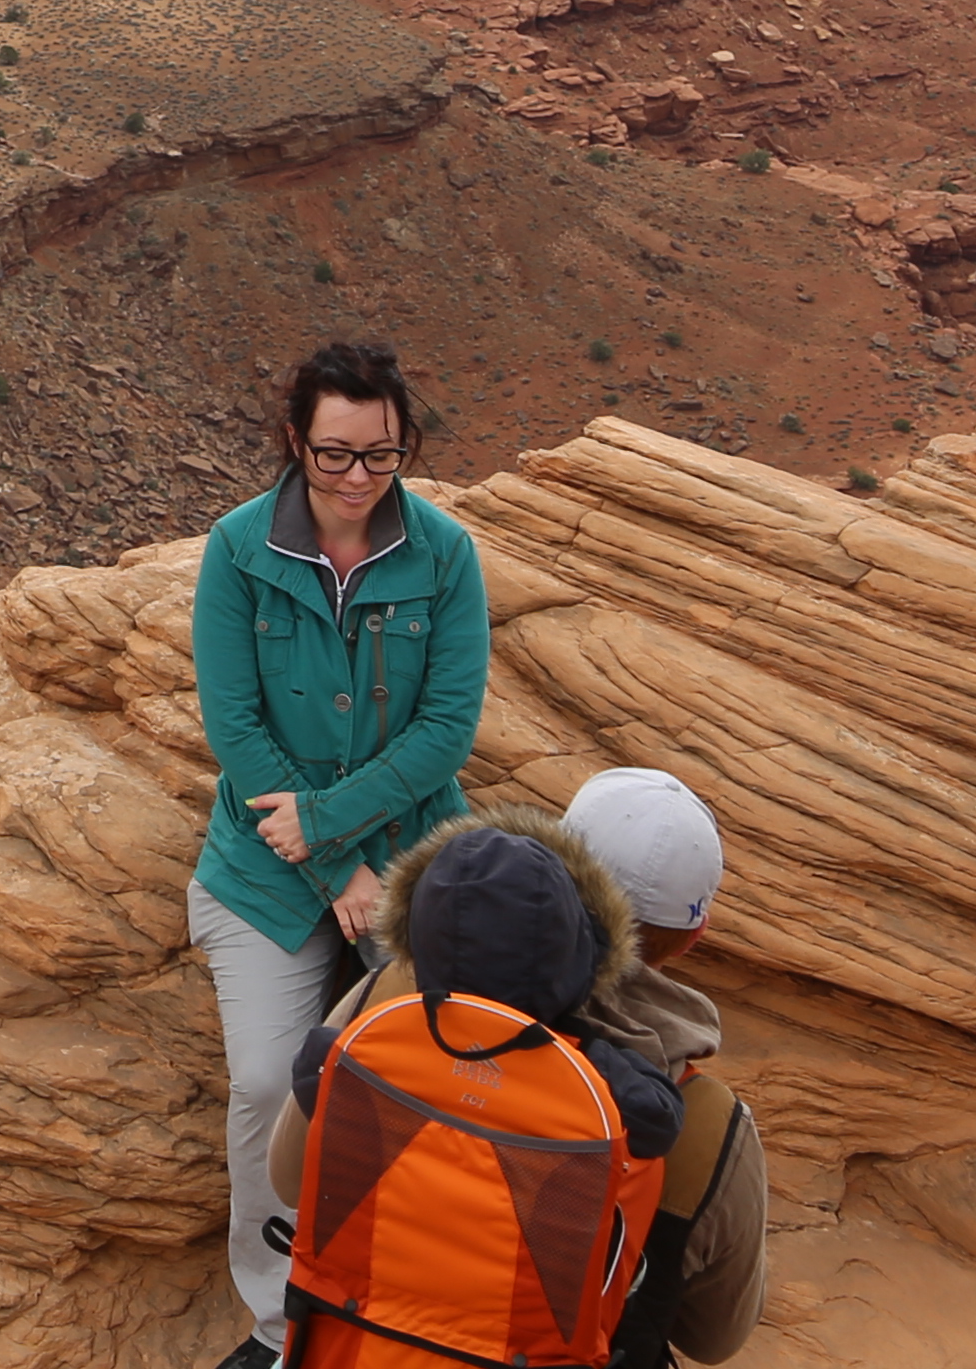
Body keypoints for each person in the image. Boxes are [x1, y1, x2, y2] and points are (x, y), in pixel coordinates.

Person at [189, 340, 488, 1369]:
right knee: (272, 1086)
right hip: (265, 875)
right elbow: (238, 734)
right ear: (294, 445)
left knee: (446, 1084)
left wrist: (337, 830)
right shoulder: (237, 552)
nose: (358, 479)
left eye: (381, 456)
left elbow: (447, 730)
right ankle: (280, 1327)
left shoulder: (443, 554)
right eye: (334, 456)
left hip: (413, 865)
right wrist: (331, 867)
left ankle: (414, 1310)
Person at [261, 806, 686, 1368]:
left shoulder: (363, 1044)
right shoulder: (610, 1093)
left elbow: (287, 1183)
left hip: (349, 1341)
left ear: (413, 933)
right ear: (586, 954)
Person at [555, 768, 766, 1365]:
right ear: (694, 933)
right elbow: (715, 1338)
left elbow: (290, 1178)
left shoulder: (407, 994)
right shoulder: (706, 1127)